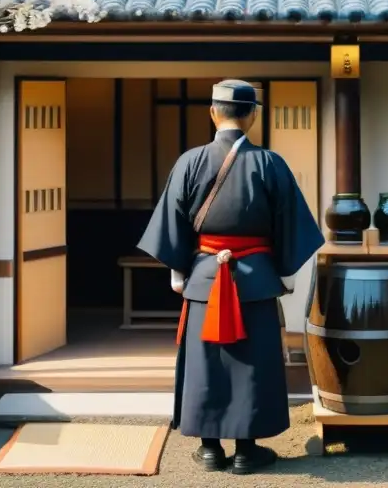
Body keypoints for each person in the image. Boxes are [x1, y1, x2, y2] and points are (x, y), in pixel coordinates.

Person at [137, 79, 324, 475]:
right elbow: (291, 224)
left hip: (204, 276)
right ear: (253, 115)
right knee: (252, 362)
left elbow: (173, 223)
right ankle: (246, 450)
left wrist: (178, 273)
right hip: (255, 279)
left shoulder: (189, 161)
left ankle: (209, 449)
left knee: (206, 363)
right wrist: (285, 274)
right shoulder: (271, 164)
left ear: (212, 112)